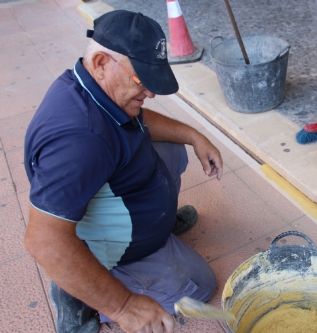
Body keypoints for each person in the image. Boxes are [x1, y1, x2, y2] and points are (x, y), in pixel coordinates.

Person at [23, 10, 223, 333]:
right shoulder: (80, 141)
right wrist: (123, 305)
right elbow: (43, 240)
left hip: (121, 191)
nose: (151, 93)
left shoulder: (96, 89)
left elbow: (140, 123)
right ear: (102, 62)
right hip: (107, 240)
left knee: (174, 148)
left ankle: (159, 225)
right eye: (141, 80)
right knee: (200, 284)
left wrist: (193, 136)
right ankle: (77, 291)